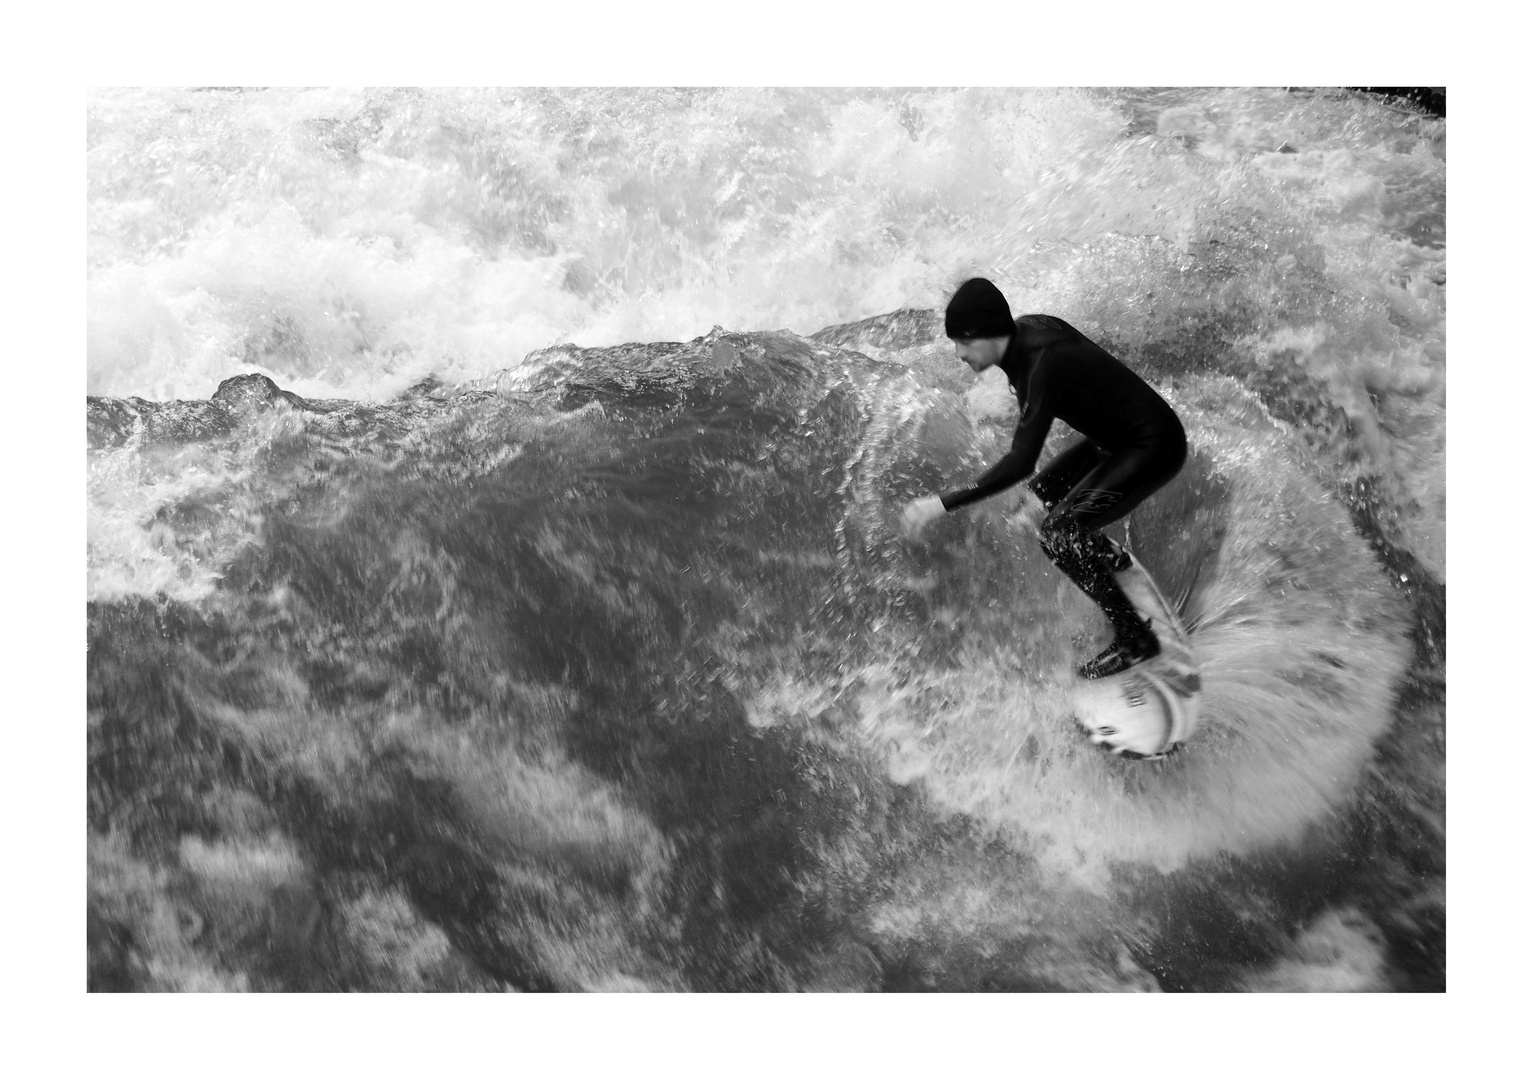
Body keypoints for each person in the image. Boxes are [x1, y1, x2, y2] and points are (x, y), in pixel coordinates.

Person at [902, 277, 1187, 679]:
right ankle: (1096, 550)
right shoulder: (1029, 336)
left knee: (1059, 533)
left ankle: (1136, 638)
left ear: (984, 335)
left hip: (1152, 445)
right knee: (1036, 505)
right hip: (1113, 441)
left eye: (962, 342)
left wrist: (942, 503)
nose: (957, 353)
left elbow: (1021, 462)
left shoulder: (1040, 362)